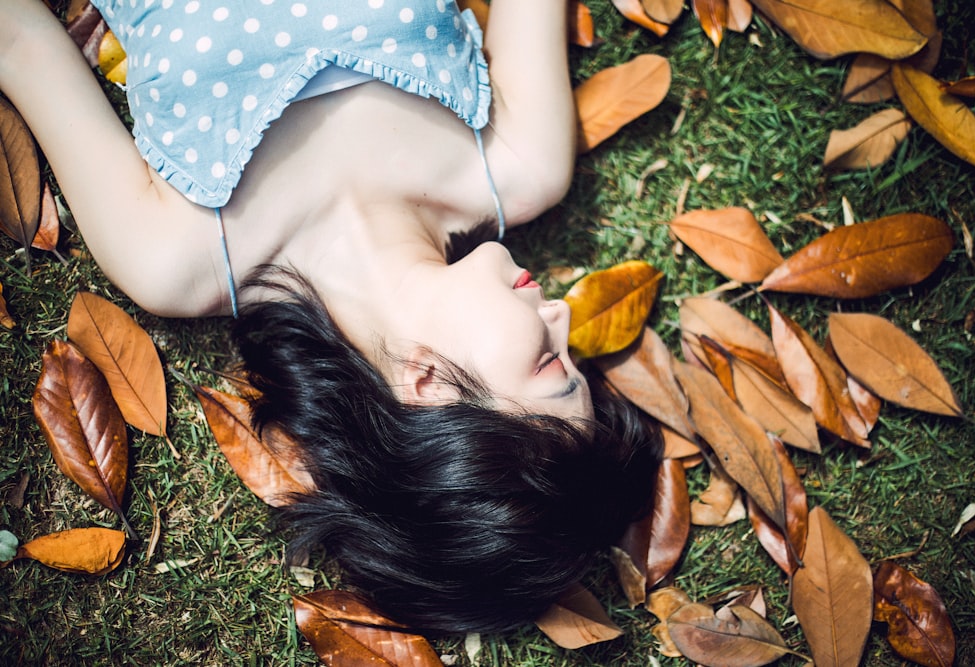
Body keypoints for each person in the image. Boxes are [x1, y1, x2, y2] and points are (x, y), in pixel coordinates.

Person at [1, 0, 661, 632]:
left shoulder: (178, 259)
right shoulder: (524, 161)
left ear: (428, 385)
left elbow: (19, 43)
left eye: (549, 361)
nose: (564, 316)